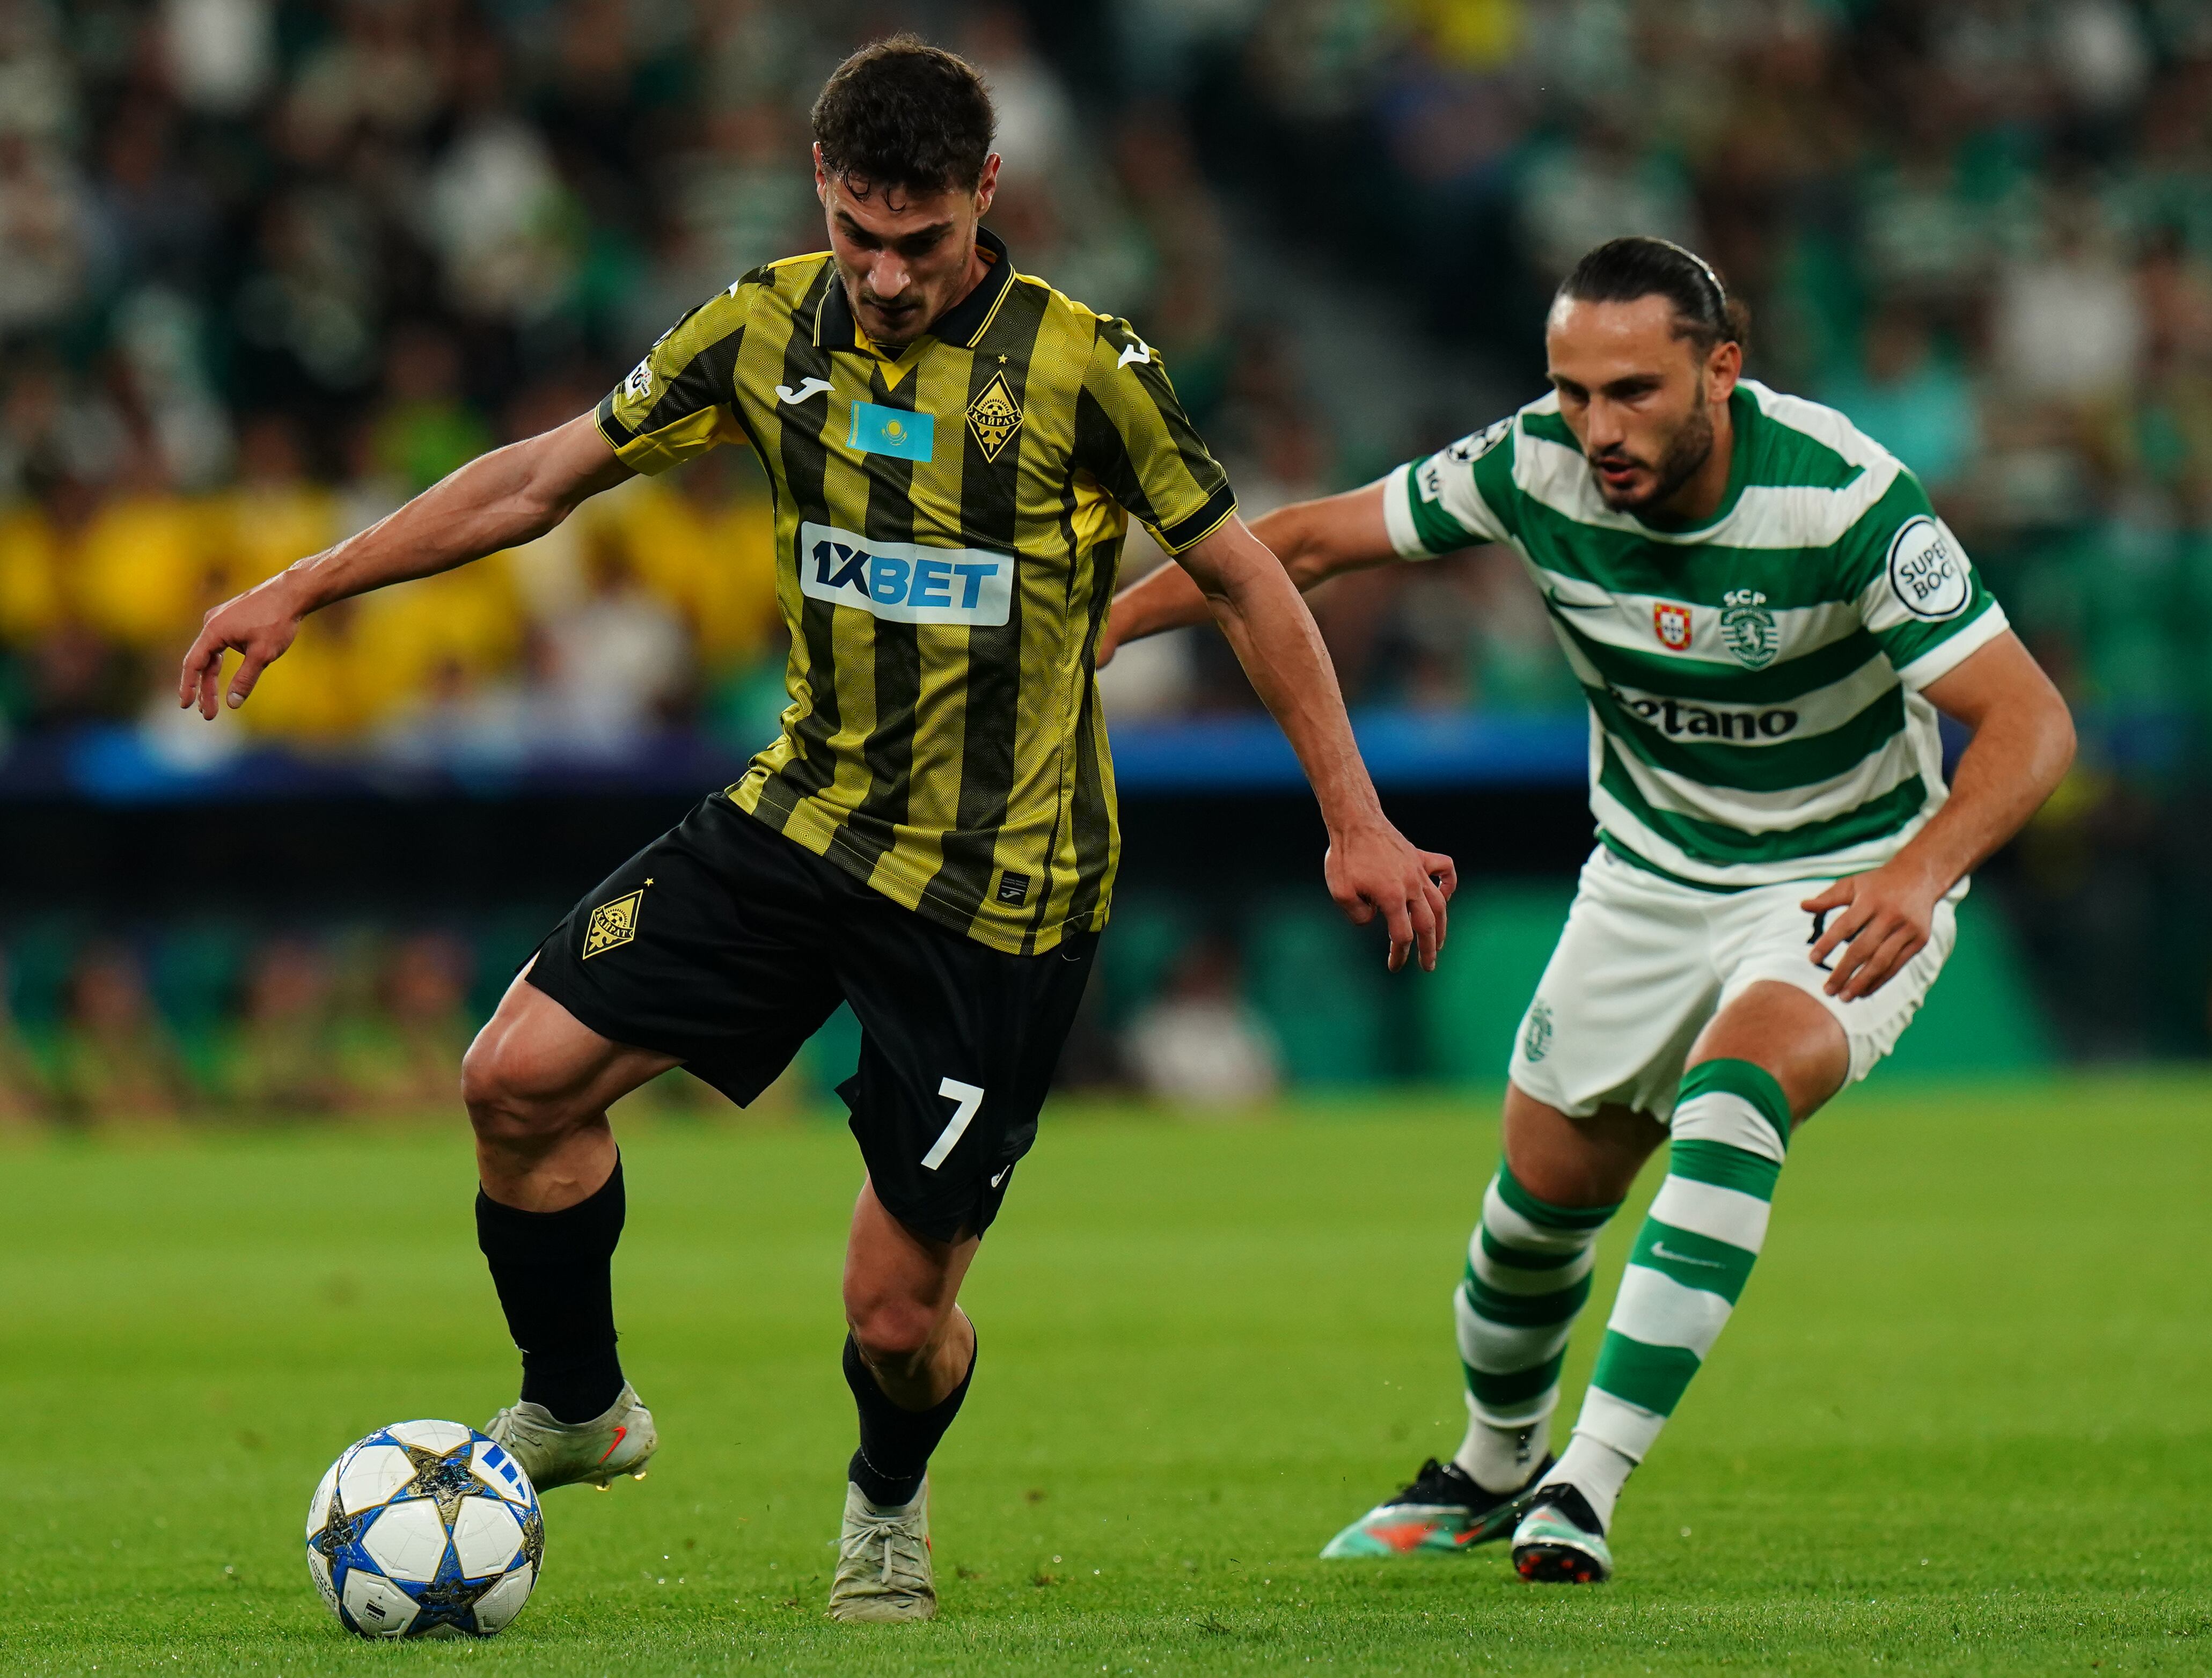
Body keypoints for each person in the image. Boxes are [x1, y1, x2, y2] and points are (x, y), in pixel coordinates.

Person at [177, 36, 1452, 1626]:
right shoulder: (761, 325)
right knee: (512, 1081)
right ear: (821, 191)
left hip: (998, 894)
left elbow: (1250, 582)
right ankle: (578, 1404)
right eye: (859, 234)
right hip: (803, 819)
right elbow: (539, 481)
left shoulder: (1083, 368)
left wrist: (1354, 818)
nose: (888, 276)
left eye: (922, 240)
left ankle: (888, 1499)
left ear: (987, 194)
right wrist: (306, 582)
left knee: (896, 1321)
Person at [1100, 236, 2075, 1584]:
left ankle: (1586, 1482)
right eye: (1573, 391)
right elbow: (1306, 543)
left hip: (1838, 881)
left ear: (1721, 370)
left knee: (1735, 1095)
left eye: (1633, 392)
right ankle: (1496, 1464)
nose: (1598, 428)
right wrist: (1106, 626)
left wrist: (1920, 871)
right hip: (1646, 878)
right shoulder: (1531, 464)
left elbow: (2031, 719)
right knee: (1534, 1216)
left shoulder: (1844, 496)